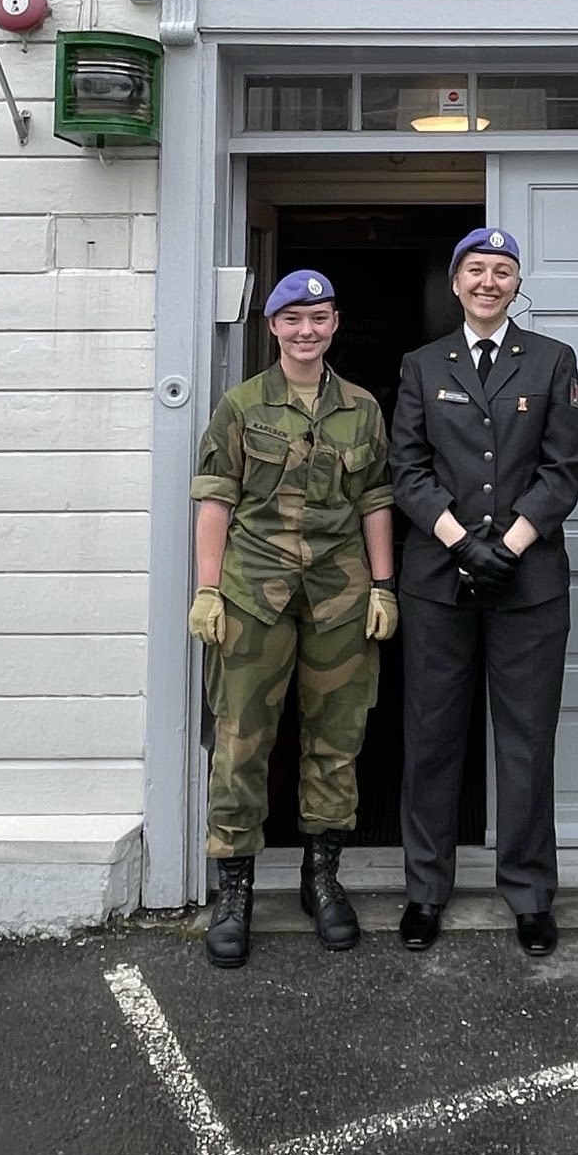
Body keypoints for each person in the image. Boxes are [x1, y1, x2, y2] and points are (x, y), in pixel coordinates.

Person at [187, 269, 398, 970]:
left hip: (340, 595)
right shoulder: (242, 406)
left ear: (335, 324)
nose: (306, 331)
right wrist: (208, 590)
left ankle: (321, 877)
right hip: (254, 595)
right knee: (242, 738)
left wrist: (385, 586)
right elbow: (216, 499)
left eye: (319, 318)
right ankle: (236, 889)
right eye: (292, 319)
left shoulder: (363, 408)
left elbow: (375, 500)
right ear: (272, 327)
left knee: (335, 738)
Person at [390, 226, 578, 956]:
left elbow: (565, 467)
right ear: (455, 281)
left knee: (527, 743)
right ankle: (425, 890)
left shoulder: (550, 360)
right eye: (476, 269)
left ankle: (532, 894)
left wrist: (506, 546)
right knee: (433, 739)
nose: (488, 282)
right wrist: (459, 541)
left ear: (515, 284)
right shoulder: (421, 364)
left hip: (527, 582)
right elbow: (406, 468)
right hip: (439, 582)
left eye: (502, 271)